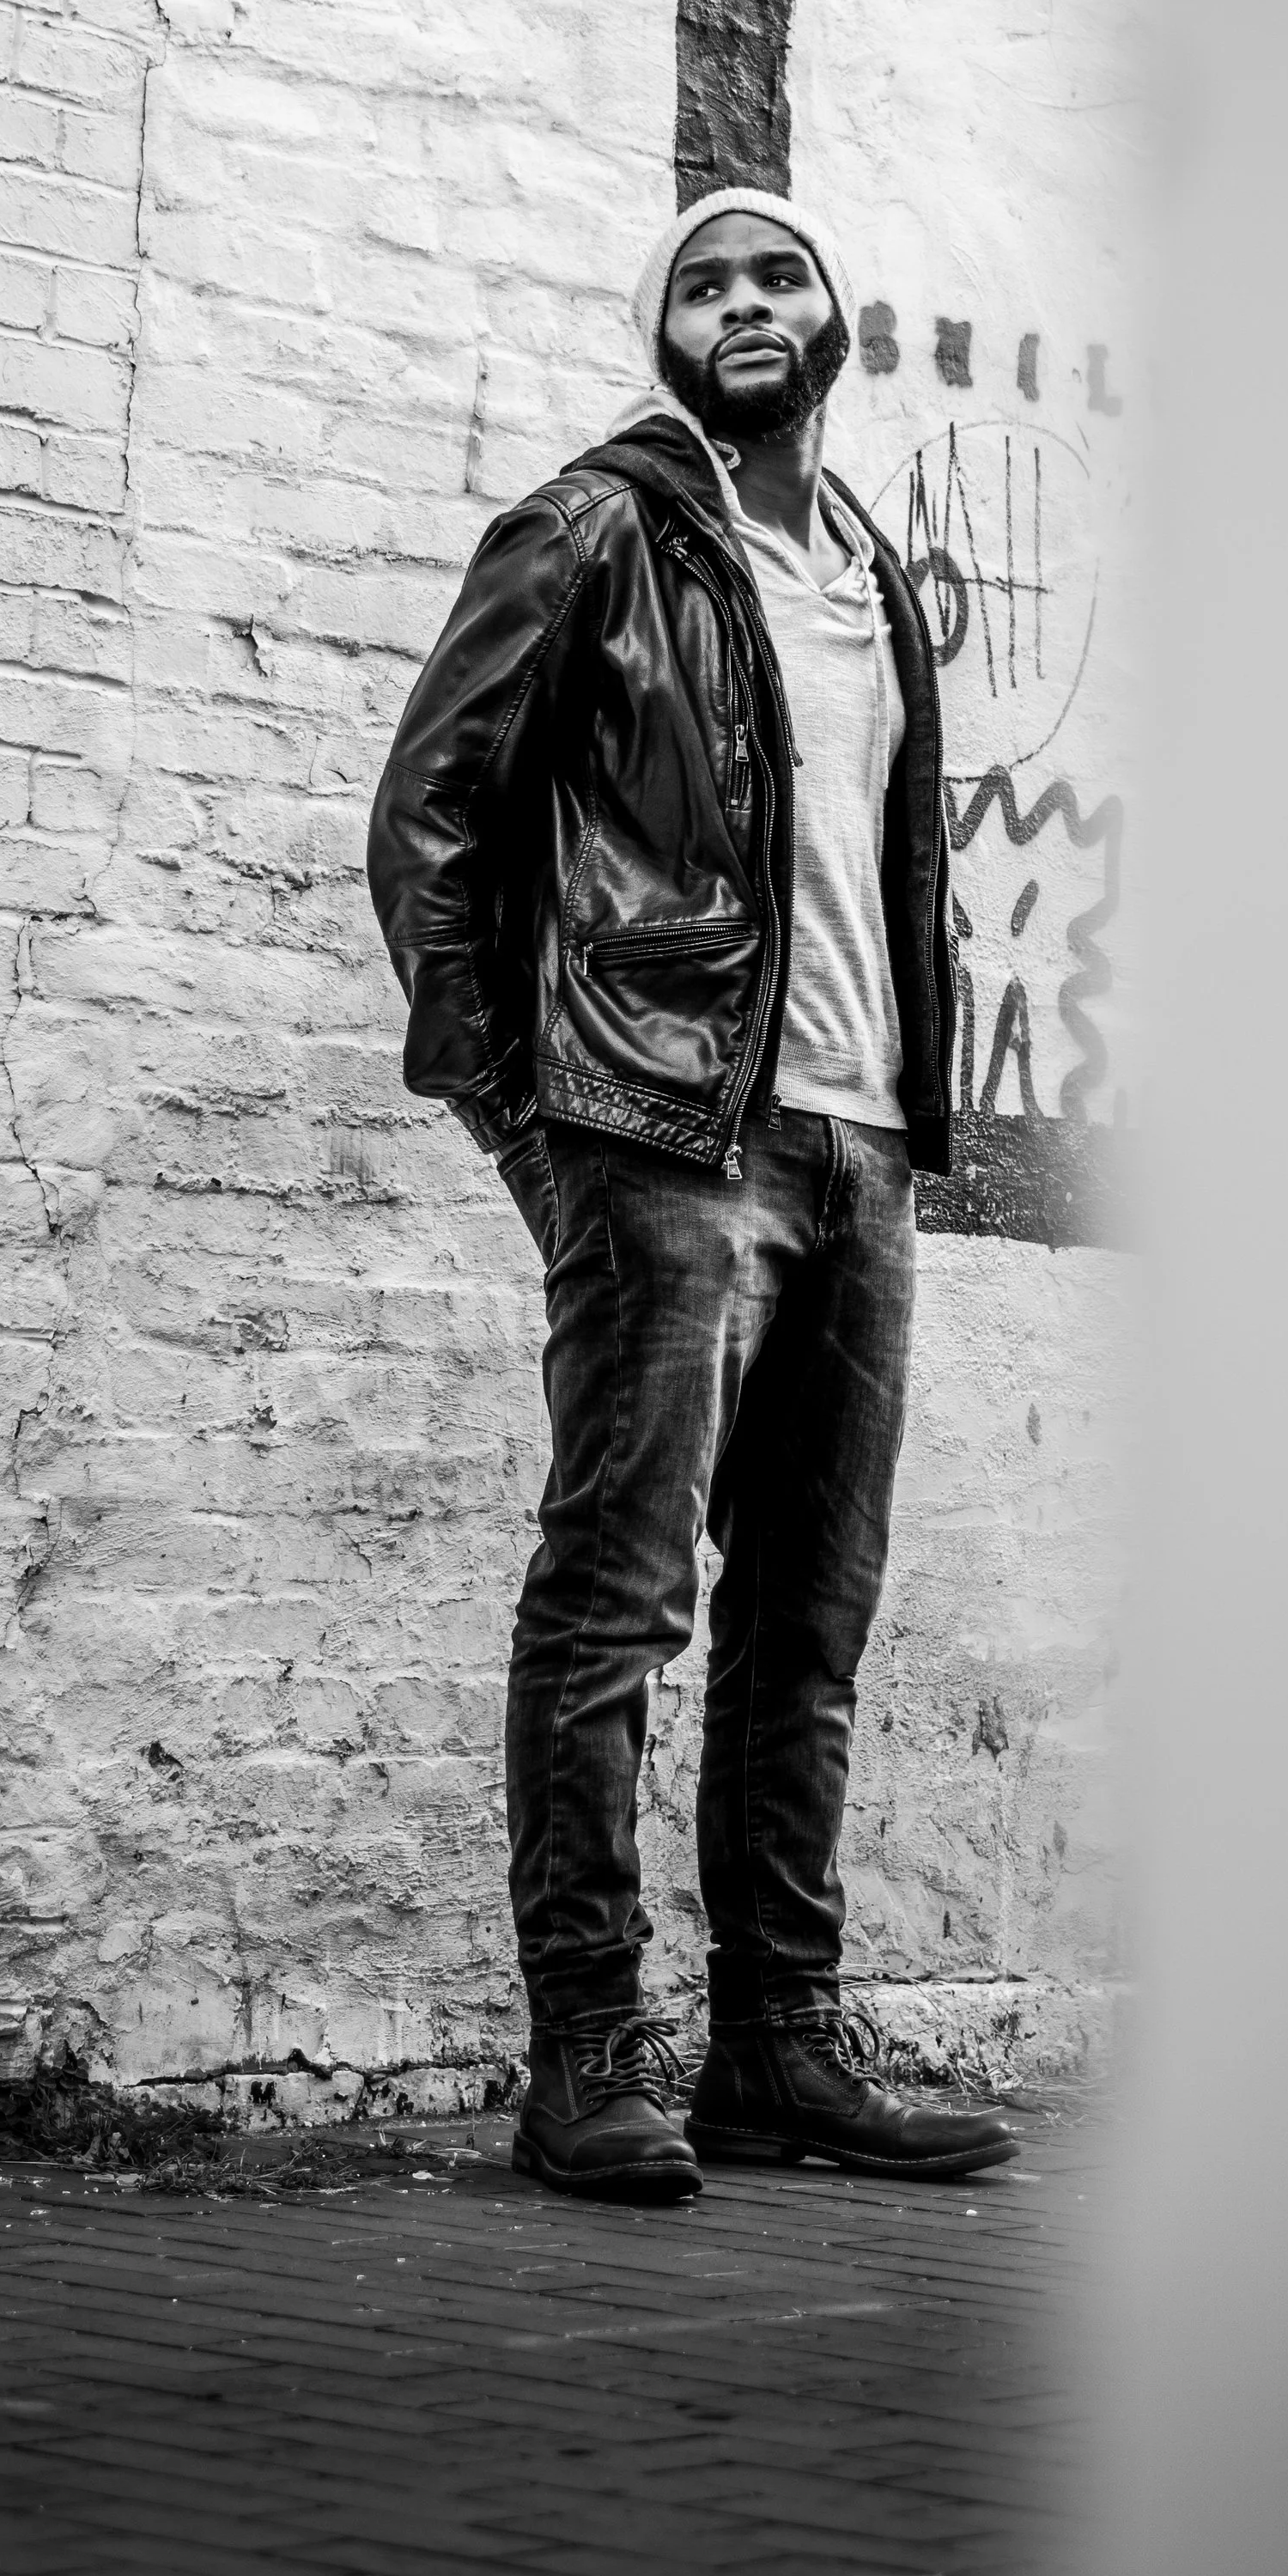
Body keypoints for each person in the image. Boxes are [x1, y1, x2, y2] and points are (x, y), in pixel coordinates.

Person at [368, 187, 1018, 2203]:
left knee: (806, 1622)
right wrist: (529, 1120)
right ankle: (585, 2056)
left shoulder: (872, 577)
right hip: (658, 1142)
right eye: (705, 285)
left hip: (858, 1144)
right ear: (669, 336)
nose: (746, 304)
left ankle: (777, 2048)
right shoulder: (595, 529)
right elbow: (429, 819)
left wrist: (902, 1117)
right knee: (615, 1601)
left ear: (833, 318)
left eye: (776, 276)